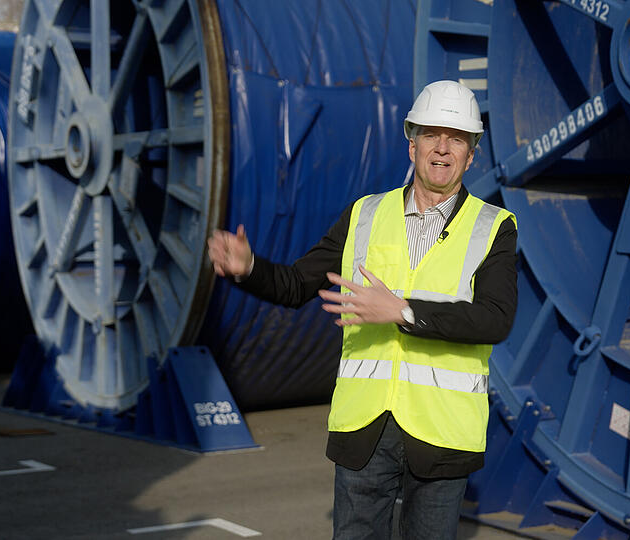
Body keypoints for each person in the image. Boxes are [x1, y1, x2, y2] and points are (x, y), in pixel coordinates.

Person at [206, 80, 518, 539]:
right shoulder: (364, 215)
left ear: (471, 156)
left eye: (457, 139)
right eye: (432, 135)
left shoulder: (494, 228)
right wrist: (249, 267)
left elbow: (495, 318)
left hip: (442, 434)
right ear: (411, 145)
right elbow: (296, 285)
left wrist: (403, 311)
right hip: (365, 431)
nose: (443, 148)